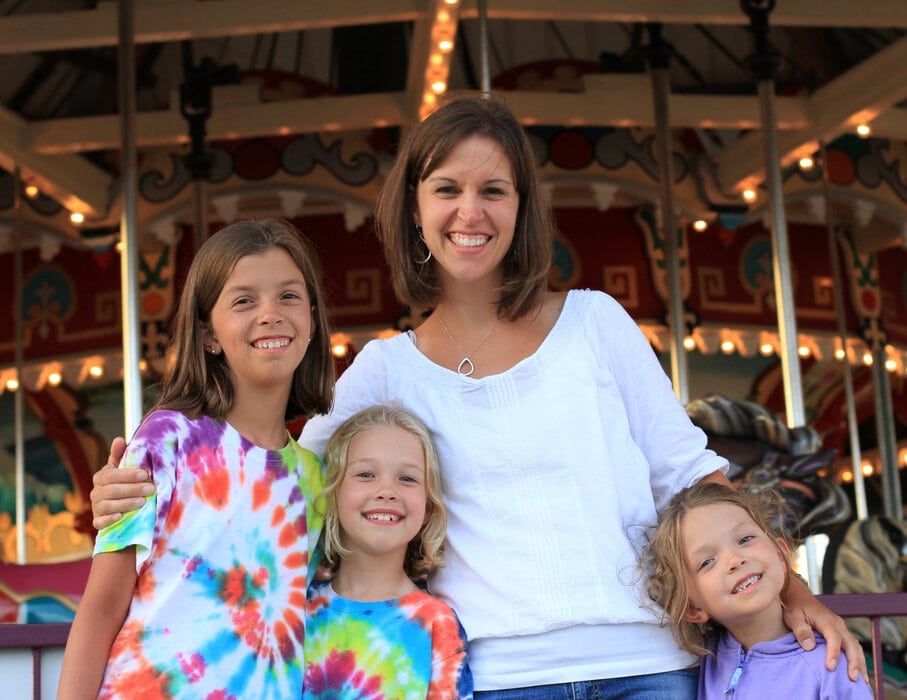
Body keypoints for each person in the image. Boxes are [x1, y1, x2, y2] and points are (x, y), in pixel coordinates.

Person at [90, 96, 865, 698]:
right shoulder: (384, 370)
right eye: (447, 189)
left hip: (644, 661)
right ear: (416, 209)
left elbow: (686, 474)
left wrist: (794, 592)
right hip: (494, 674)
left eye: (493, 190)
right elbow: (280, 482)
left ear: (522, 207)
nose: (471, 213)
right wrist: (132, 497)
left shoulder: (595, 323)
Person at [58, 219, 335, 699]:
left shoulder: (314, 479)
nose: (270, 313)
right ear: (209, 334)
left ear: (311, 319)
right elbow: (101, 607)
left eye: (289, 296)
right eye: (244, 300)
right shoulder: (170, 438)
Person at [642, 481, 872, 698]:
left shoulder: (830, 663)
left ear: (781, 555)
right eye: (707, 561)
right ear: (692, 607)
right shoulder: (703, 662)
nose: (735, 559)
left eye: (744, 539)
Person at [303, 404, 472, 699]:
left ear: (427, 507)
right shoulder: (296, 612)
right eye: (366, 474)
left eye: (407, 479)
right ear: (333, 493)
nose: (387, 490)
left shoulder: (437, 624)